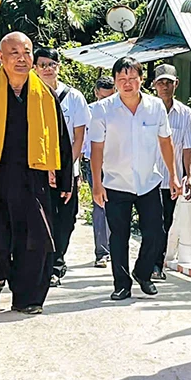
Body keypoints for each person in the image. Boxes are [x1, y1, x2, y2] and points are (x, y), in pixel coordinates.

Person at [0, 31, 72, 314]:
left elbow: (61, 138)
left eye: (26, 53)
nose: (21, 59)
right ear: (0, 56)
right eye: (14, 53)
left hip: (33, 179)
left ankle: (28, 299)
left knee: (35, 239)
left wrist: (66, 178)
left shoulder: (45, 94)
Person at [90, 57, 181, 301]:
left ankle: (143, 273)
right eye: (122, 80)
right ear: (115, 81)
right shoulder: (102, 109)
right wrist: (97, 184)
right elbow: (96, 147)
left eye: (132, 79)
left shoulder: (155, 107)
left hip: (148, 181)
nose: (128, 84)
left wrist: (173, 175)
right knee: (118, 236)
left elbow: (165, 141)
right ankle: (121, 284)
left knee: (155, 232)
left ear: (142, 80)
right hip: (115, 182)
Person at [34, 46, 90, 287]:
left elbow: (79, 136)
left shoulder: (74, 97)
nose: (47, 69)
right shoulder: (28, 95)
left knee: (66, 219)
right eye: (42, 65)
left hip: (67, 171)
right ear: (35, 68)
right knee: (40, 220)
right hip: (37, 172)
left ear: (59, 67)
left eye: (51, 64)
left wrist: (66, 168)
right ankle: (46, 266)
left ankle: (58, 260)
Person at [149, 64, 191, 281]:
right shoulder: (146, 110)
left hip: (171, 180)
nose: (165, 86)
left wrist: (190, 176)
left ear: (176, 84)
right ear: (154, 85)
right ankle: (146, 263)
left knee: (164, 223)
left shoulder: (186, 114)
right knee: (149, 223)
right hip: (146, 179)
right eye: (161, 82)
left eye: (169, 82)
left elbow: (189, 148)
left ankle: (156, 265)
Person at [83, 77, 116, 267]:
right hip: (94, 164)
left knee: (117, 206)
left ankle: (115, 247)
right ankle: (102, 252)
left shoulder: (120, 110)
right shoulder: (88, 111)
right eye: (102, 96)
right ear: (96, 92)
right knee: (100, 207)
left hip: (116, 163)